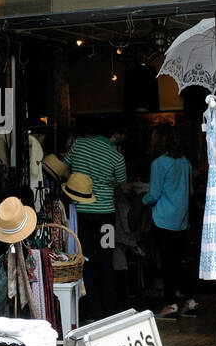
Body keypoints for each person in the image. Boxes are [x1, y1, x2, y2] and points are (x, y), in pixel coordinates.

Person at [65, 119, 128, 319]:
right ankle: (109, 309)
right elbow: (123, 186)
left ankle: (88, 308)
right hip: (106, 217)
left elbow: (65, 168)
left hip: (82, 213)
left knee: (85, 258)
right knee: (106, 259)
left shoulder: (79, 145)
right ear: (116, 135)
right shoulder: (117, 157)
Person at [143, 123, 196, 317]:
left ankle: (170, 304)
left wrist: (142, 198)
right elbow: (190, 191)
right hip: (182, 219)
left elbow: (154, 194)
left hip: (163, 219)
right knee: (181, 261)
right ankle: (190, 300)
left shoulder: (158, 163)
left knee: (167, 263)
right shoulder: (185, 162)